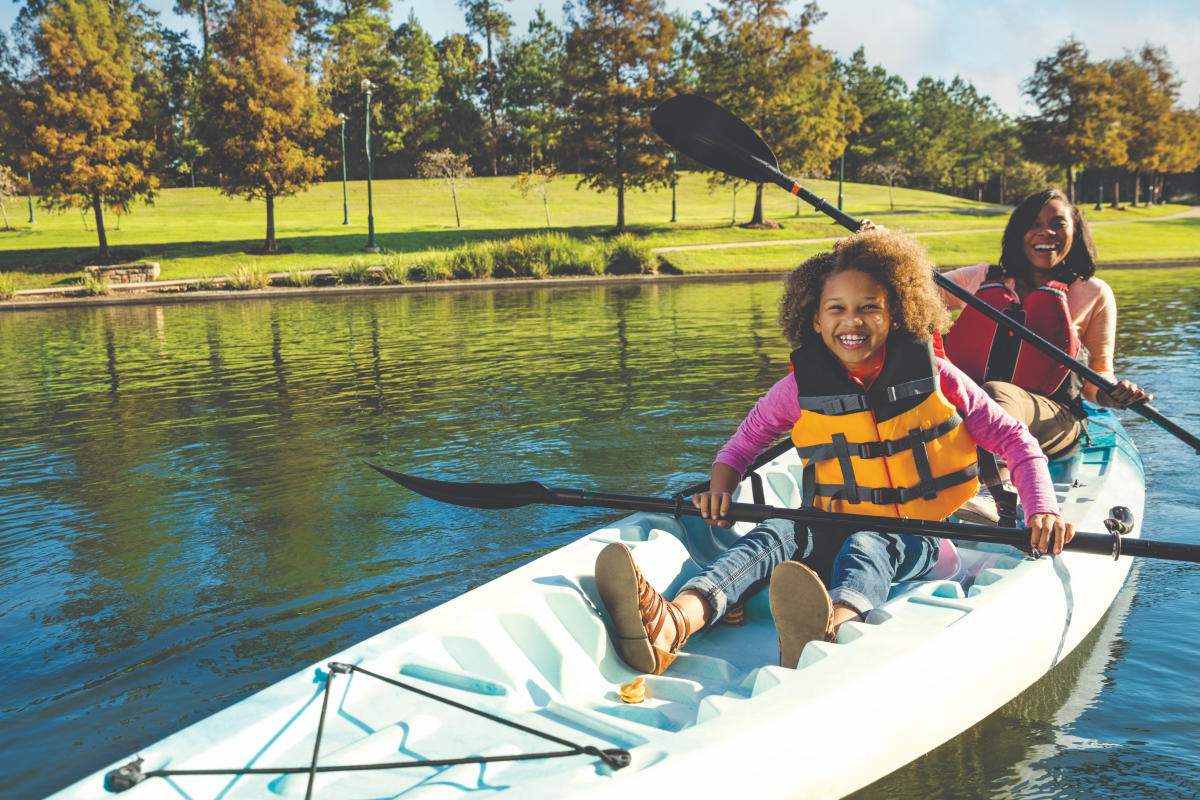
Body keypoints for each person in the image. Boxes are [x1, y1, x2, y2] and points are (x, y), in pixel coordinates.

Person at [594, 229, 1074, 677]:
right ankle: (676, 621)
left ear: (897, 312)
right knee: (775, 532)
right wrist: (722, 487)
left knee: (870, 543)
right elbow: (744, 444)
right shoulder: (799, 387)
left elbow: (1016, 440)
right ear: (815, 319)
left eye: (870, 307)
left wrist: (1043, 510)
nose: (852, 321)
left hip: (916, 536)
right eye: (836, 309)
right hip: (827, 521)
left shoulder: (939, 377)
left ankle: (832, 632)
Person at [940, 188, 1151, 458]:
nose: (1045, 232)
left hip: (1053, 417)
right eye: (1033, 224)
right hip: (968, 405)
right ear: (1018, 233)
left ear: (1075, 231)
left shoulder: (1093, 294)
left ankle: (997, 485)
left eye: (1057, 224)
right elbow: (904, 293)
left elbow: (1098, 376)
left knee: (996, 395)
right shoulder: (978, 279)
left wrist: (1114, 394)